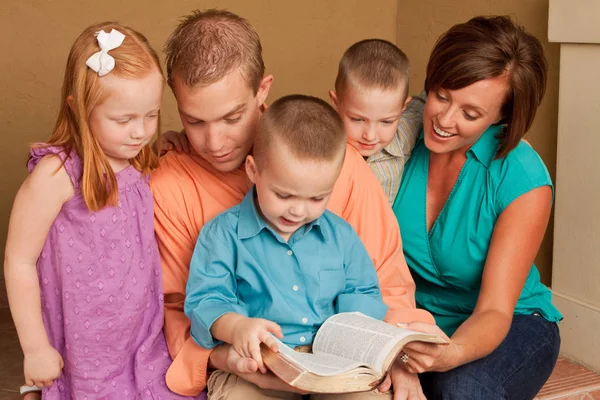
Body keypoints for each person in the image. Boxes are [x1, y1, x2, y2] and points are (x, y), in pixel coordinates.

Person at [150, 8, 432, 398]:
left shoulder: (337, 161)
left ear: (262, 90)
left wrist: (397, 359)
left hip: (338, 363)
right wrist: (226, 358)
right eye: (194, 121)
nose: (214, 143)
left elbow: (385, 280)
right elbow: (181, 308)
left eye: (232, 117)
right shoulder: (168, 186)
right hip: (247, 367)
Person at [4, 22, 201, 400]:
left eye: (151, 115)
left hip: (138, 335)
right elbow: (18, 261)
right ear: (79, 109)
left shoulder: (141, 158)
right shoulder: (57, 174)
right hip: (85, 341)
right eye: (124, 120)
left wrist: (169, 142)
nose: (140, 131)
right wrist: (34, 348)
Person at [387, 16, 563, 399]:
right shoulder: (397, 138)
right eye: (442, 96)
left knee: (459, 390)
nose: (444, 120)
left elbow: (495, 310)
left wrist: (451, 354)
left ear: (501, 116)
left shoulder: (522, 180)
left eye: (470, 114)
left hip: (507, 323)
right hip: (412, 319)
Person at [185, 95, 390, 400]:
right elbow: (205, 300)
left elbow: (363, 292)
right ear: (253, 171)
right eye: (284, 195)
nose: (297, 211)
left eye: (317, 198)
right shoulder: (222, 235)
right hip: (258, 363)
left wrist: (354, 338)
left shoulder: (341, 236)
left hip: (330, 363)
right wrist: (237, 327)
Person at [329, 39, 424, 204]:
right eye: (358, 119)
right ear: (336, 103)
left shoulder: (406, 132)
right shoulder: (324, 148)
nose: (370, 136)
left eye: (386, 122)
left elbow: (423, 104)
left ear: (402, 108)